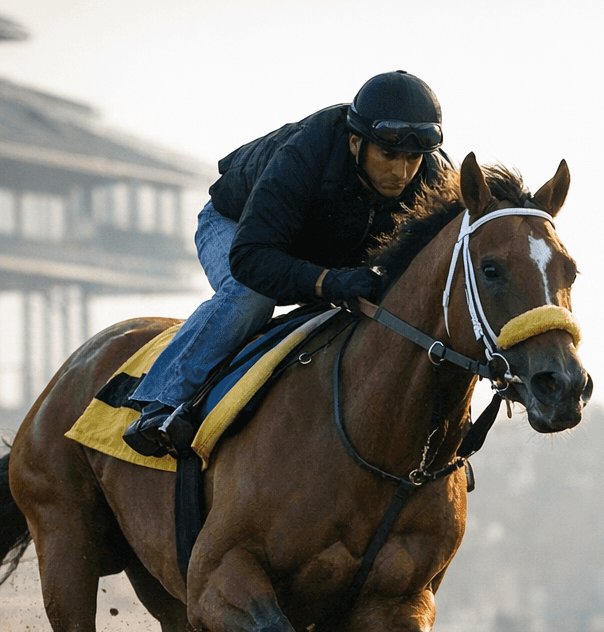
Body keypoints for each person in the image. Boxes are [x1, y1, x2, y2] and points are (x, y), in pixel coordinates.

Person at [123, 70, 453, 457]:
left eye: (413, 158)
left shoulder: (434, 177)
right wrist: (329, 281)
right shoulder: (305, 152)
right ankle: (159, 405)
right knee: (252, 296)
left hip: (321, 249)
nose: (401, 173)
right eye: (389, 155)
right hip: (235, 228)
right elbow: (251, 259)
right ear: (354, 142)